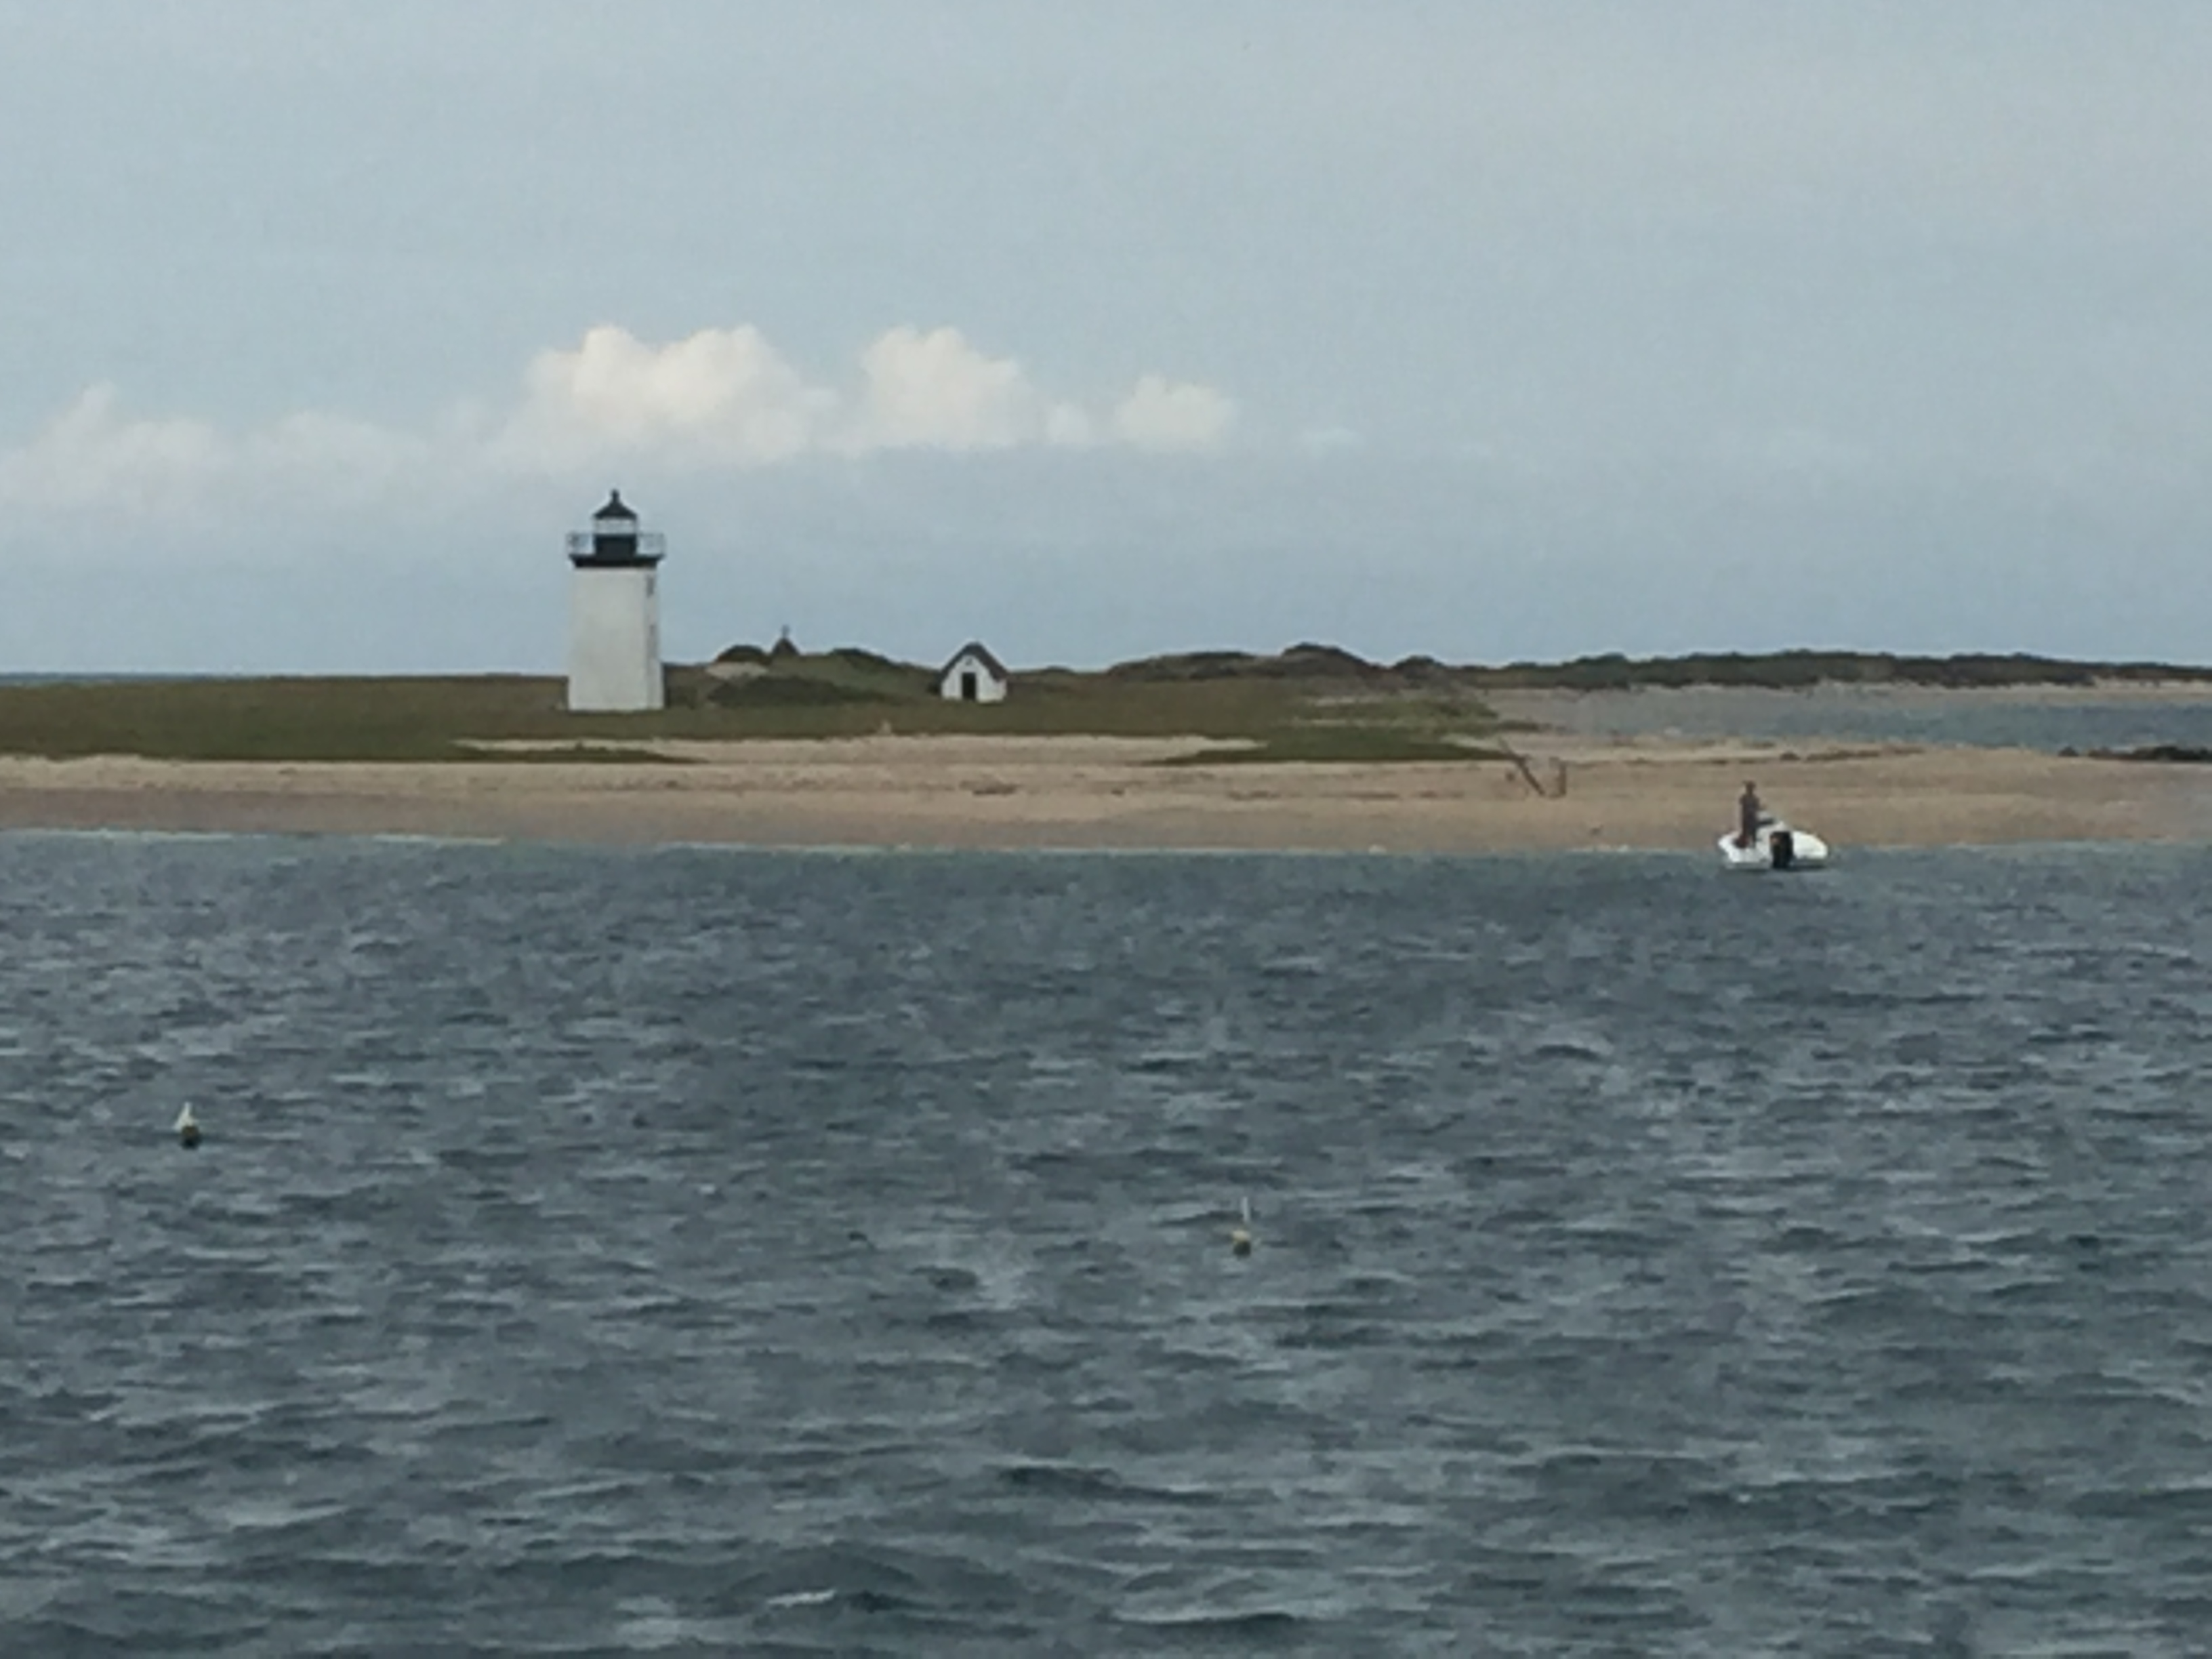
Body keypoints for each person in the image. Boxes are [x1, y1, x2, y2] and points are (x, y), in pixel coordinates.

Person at [1738, 781, 1762, 848]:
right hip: (1748, 817)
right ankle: (1745, 844)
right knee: (1747, 832)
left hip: (1750, 817)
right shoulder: (1747, 798)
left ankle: (1751, 844)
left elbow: (1757, 808)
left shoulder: (1753, 798)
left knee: (1752, 832)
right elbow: (1756, 808)